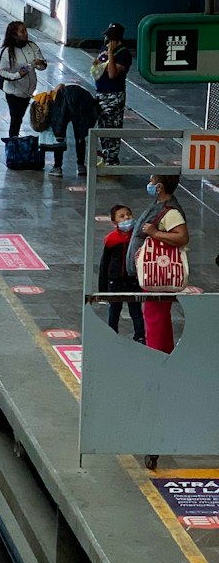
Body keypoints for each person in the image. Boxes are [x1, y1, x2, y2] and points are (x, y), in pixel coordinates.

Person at [128, 172, 189, 358]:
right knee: (157, 316)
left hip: (160, 274)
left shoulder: (171, 211)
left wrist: (154, 233)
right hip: (156, 274)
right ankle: (165, 353)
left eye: (152, 181)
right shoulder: (160, 206)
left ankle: (156, 355)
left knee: (155, 317)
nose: (150, 183)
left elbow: (182, 236)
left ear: (160, 186)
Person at [97, 203, 145, 343]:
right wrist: (103, 289)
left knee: (136, 311)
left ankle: (140, 336)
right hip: (115, 281)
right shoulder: (111, 239)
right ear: (114, 222)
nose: (126, 218)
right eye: (122, 216)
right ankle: (112, 334)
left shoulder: (137, 237)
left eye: (128, 215)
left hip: (133, 280)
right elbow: (104, 264)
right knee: (114, 309)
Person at [0, 21, 46, 140]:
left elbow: (42, 65)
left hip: (28, 91)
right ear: (14, 35)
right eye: (22, 31)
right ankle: (13, 144)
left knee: (19, 117)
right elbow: (0, 71)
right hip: (14, 92)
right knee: (16, 118)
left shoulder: (32, 46)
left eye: (26, 30)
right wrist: (17, 75)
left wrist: (40, 64)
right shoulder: (8, 51)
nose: (26, 34)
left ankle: (14, 141)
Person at [91, 23, 131, 164]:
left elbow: (113, 74)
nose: (107, 39)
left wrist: (110, 55)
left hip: (113, 95)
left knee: (112, 126)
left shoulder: (124, 54)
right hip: (101, 92)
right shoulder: (104, 48)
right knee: (102, 125)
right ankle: (105, 155)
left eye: (110, 37)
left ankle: (112, 158)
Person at [44, 82, 99, 176]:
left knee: (59, 134)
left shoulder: (57, 96)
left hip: (70, 100)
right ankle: (81, 166)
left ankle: (57, 167)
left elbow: (58, 126)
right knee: (80, 135)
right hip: (82, 102)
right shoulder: (80, 92)